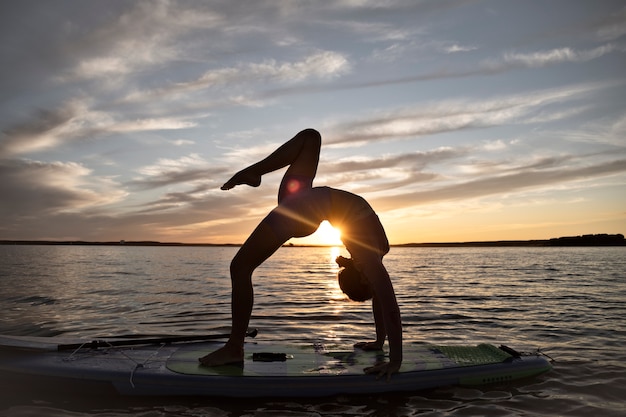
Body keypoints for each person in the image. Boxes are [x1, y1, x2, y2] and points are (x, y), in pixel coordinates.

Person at [199, 128, 402, 380]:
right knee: (310, 137)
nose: (374, 283)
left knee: (240, 268)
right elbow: (386, 302)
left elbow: (383, 300)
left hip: (305, 208)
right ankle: (255, 172)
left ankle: (234, 347)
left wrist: (388, 351)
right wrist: (386, 349)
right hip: (304, 200)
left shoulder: (370, 258)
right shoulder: (371, 259)